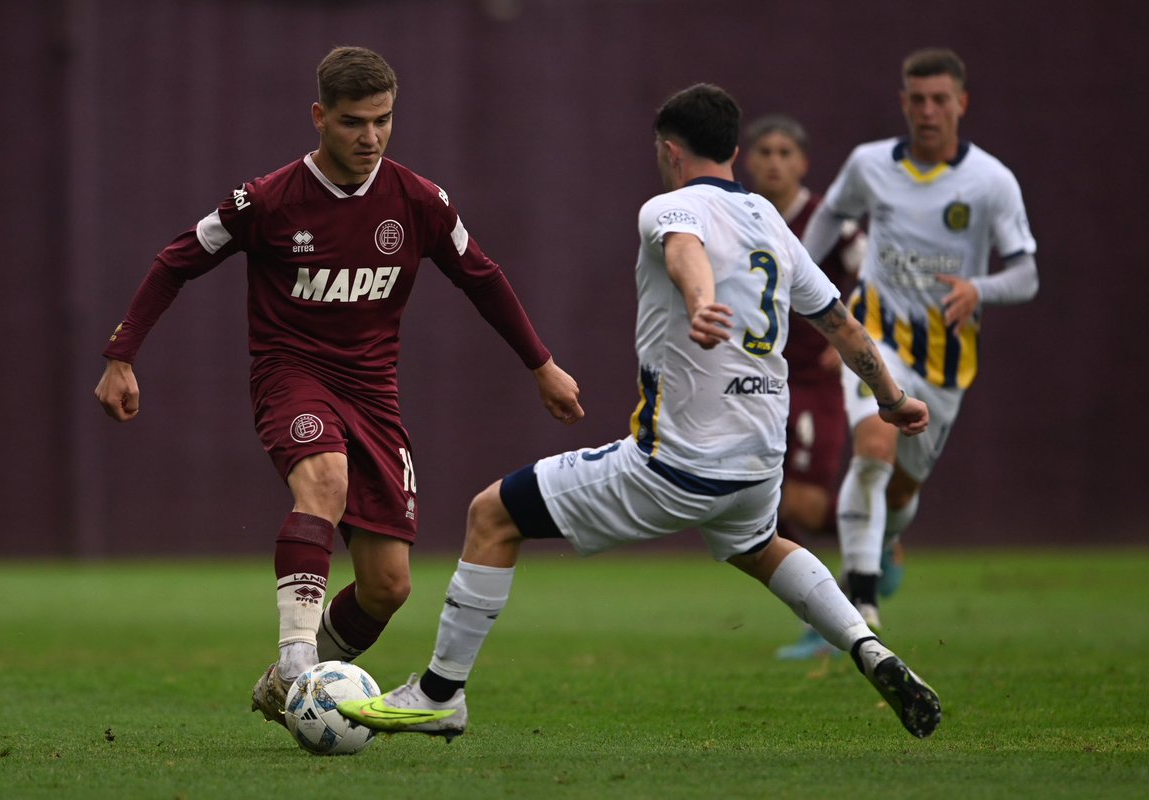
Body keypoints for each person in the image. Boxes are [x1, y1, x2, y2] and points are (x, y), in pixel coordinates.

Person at [337, 83, 942, 741]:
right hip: (755, 459)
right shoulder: (772, 222)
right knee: (757, 545)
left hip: (678, 462)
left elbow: (684, 249)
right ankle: (865, 645)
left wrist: (700, 299)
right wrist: (891, 399)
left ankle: (438, 694)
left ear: (667, 149)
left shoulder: (668, 205)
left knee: (492, 514)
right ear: (735, 149)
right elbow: (841, 324)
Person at [93, 45, 584, 729]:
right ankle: (298, 662)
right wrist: (122, 355)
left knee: (387, 587)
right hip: (291, 376)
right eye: (355, 122)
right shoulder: (264, 200)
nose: (372, 137)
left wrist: (541, 364)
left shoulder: (418, 201)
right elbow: (177, 259)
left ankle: (284, 686)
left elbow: (482, 276)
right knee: (323, 480)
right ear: (320, 117)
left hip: (373, 395)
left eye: (383, 120)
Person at [800, 48, 1039, 631]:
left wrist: (980, 289)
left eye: (940, 100)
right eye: (918, 100)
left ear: (961, 103)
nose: (928, 111)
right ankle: (860, 606)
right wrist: (802, 270)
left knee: (902, 489)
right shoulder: (870, 163)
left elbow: (1027, 273)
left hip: (944, 360)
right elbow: (832, 214)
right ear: (904, 103)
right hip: (874, 335)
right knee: (873, 452)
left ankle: (882, 548)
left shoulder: (991, 181)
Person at [742, 115, 886, 661]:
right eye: (765, 151)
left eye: (785, 152)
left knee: (802, 501)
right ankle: (834, 593)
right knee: (759, 492)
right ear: (748, 160)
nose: (774, 161)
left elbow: (874, 273)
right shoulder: (742, 214)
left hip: (814, 378)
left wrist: (851, 331)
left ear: (802, 162)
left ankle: (869, 556)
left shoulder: (828, 221)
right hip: (755, 377)